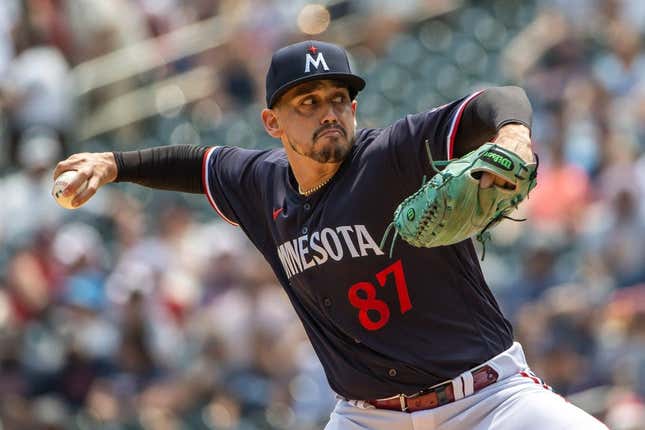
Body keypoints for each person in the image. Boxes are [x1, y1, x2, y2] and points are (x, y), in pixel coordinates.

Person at [54, 40, 607, 429]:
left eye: (339, 99)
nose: (329, 112)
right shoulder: (259, 184)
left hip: (488, 401)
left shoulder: (393, 154)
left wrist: (512, 134)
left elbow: (495, 100)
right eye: (308, 102)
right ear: (273, 123)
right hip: (367, 418)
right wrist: (113, 164)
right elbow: (194, 163)